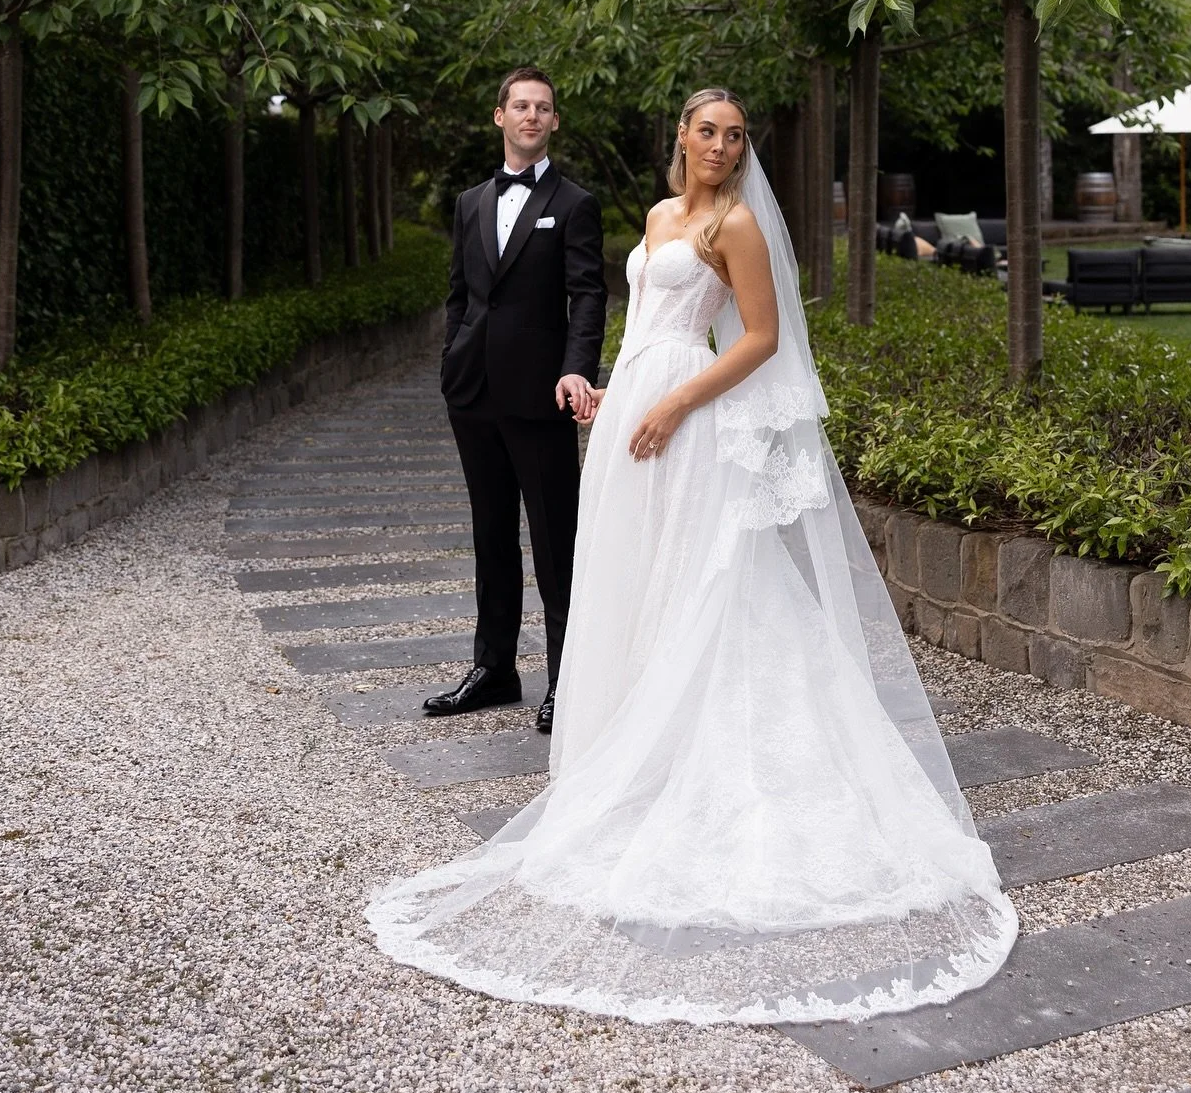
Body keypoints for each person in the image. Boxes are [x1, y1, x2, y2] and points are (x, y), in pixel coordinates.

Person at [370, 88, 1017, 1025]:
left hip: (688, 413)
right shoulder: (659, 215)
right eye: (707, 131)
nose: (720, 146)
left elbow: (761, 338)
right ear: (682, 136)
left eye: (734, 135)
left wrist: (675, 403)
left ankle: (714, 765)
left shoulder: (736, 225)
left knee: (702, 584)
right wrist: (613, 389)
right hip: (632, 402)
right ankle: (634, 759)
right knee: (633, 580)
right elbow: (641, 320)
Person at [428, 69, 606, 735]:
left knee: (557, 543)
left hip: (541, 395)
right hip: (473, 393)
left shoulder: (575, 203)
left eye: (544, 108)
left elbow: (587, 295)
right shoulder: (471, 202)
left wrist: (576, 370)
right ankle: (495, 669)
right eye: (521, 105)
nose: (532, 115)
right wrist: (452, 357)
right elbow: (460, 293)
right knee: (491, 534)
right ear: (500, 116)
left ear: (555, 121)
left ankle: (568, 680)